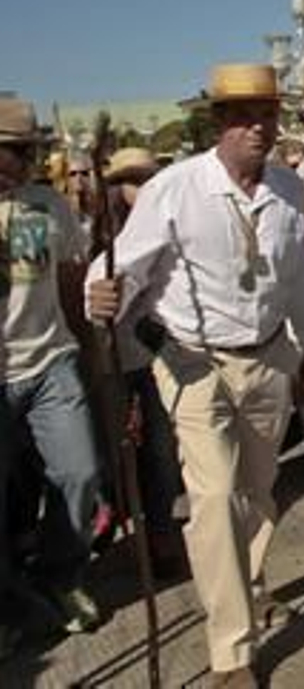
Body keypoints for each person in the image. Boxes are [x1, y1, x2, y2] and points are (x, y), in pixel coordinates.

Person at [87, 65, 304, 688]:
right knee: (216, 496)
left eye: (268, 114)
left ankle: (249, 586)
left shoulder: (291, 190)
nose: (258, 126)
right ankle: (233, 653)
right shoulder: (175, 188)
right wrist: (102, 294)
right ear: (216, 124)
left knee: (257, 488)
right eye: (243, 116)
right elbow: (122, 268)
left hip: (270, 357)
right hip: (193, 362)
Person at [0, 97, 105, 648]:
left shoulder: (46, 206)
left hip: (48, 362)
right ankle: (9, 606)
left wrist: (89, 353)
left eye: (23, 152)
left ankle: (60, 577)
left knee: (80, 472)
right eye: (8, 151)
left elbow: (69, 280)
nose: (15, 162)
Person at [101, 146, 188, 579]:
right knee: (116, 452)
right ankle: (118, 521)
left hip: (155, 355)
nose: (142, 189)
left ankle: (160, 533)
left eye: (148, 179)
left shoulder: (168, 224)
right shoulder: (99, 232)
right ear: (116, 189)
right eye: (132, 181)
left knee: (161, 452)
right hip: (109, 358)